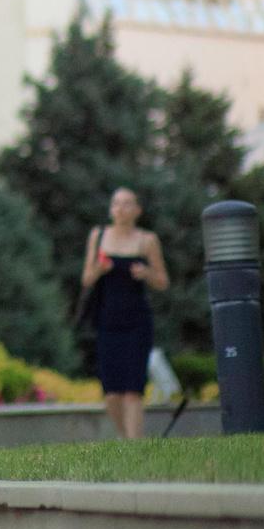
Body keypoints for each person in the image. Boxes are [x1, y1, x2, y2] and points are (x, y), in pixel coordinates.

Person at [82, 186, 169, 440]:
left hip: (137, 321)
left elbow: (163, 281)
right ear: (111, 209)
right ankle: (125, 437)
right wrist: (99, 269)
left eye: (127, 204)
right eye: (116, 203)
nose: (120, 209)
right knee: (111, 392)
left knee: (133, 389)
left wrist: (146, 274)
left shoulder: (146, 240)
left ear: (137, 211)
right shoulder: (98, 236)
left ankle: (135, 444)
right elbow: (86, 279)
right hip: (107, 320)